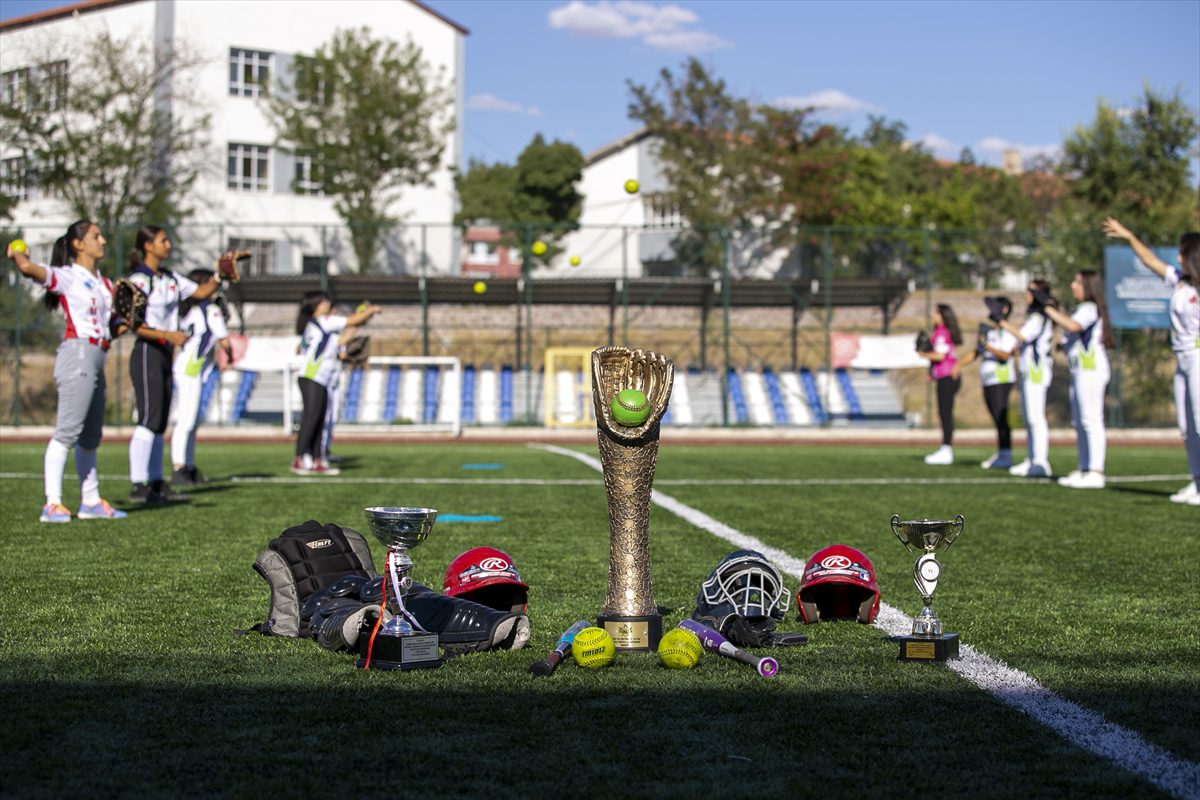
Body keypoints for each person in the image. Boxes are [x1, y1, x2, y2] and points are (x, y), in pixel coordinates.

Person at [6, 222, 127, 522]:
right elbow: (30, 271)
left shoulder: (104, 283)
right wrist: (17, 255)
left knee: (90, 436)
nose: (102, 240)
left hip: (99, 354)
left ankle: (90, 501)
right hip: (78, 353)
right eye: (95, 236)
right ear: (77, 244)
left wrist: (127, 323)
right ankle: (52, 503)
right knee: (68, 431)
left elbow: (112, 326)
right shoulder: (68, 276)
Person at [125, 226, 240, 504]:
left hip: (165, 352)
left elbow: (201, 292)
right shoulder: (139, 279)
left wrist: (219, 273)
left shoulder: (169, 278)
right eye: (163, 240)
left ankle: (155, 482)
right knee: (148, 419)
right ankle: (138, 483)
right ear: (148, 246)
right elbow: (133, 324)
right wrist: (167, 335)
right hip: (147, 351)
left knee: (160, 421)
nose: (169, 244)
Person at [1102, 218, 1200, 506]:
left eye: (1182, 254)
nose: (1177, 258)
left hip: (1198, 357)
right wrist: (1129, 235)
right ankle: (1196, 482)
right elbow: (1149, 261)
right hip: (1182, 359)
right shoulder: (1179, 282)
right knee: (1186, 426)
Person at [293, 291, 380, 475]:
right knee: (311, 419)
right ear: (315, 306)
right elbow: (353, 322)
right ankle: (299, 459)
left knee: (319, 419)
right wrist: (370, 310)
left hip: (320, 378)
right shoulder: (323, 321)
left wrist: (362, 317)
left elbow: (344, 337)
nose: (328, 304)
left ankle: (317, 459)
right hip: (312, 376)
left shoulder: (320, 325)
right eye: (324, 301)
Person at [1042, 270, 1113, 489]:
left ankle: (1096, 471)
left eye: (1078, 282)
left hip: (1091, 369)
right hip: (1080, 370)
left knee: (1091, 420)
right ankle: (1085, 468)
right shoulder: (1082, 308)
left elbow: (1074, 326)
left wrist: (1049, 310)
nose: (1073, 285)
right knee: (1080, 421)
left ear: (1088, 286)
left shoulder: (1090, 307)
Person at [168, 268, 232, 486]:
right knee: (186, 421)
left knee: (191, 421)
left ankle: (188, 465)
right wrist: (229, 357)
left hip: (189, 367)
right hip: (190, 369)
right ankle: (179, 467)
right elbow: (223, 340)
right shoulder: (210, 309)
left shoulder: (192, 310)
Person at [1000, 280, 1058, 478]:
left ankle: (1041, 461)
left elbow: (1023, 336)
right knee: (1028, 417)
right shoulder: (1035, 317)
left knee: (1035, 417)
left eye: (1030, 291)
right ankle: (1032, 458)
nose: (1026, 294)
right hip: (1029, 370)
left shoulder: (1039, 317)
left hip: (1036, 371)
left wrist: (1004, 323)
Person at [955, 297, 1019, 470]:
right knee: (995, 416)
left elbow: (1006, 356)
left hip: (1002, 378)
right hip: (988, 379)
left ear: (1004, 309)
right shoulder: (989, 332)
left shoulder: (1008, 332)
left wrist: (989, 347)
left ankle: (1007, 453)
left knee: (1001, 416)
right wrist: (958, 365)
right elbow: (976, 352)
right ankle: (1001, 452)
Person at [917, 304, 962, 465]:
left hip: (948, 377)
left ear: (942, 315)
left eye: (936, 313)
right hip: (944, 376)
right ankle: (945, 448)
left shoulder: (942, 332)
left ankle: (946, 450)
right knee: (944, 413)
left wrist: (923, 354)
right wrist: (932, 374)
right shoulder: (938, 332)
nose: (933, 315)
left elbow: (941, 356)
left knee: (945, 413)